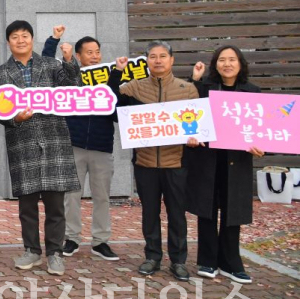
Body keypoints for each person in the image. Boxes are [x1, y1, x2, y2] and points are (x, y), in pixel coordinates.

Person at [0, 20, 80, 276]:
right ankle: (32, 250)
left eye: (25, 36)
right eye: (15, 37)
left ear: (32, 39)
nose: (20, 40)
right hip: (22, 142)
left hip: (54, 141)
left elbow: (73, 90)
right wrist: (13, 119)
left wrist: (69, 59)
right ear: (8, 42)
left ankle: (55, 253)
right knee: (27, 206)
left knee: (55, 205)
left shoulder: (52, 66)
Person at [112, 40, 200, 282]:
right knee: (149, 213)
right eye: (153, 56)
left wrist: (195, 137)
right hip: (145, 163)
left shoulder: (188, 89)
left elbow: (198, 125)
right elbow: (112, 108)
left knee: (177, 214)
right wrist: (117, 73)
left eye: (163, 56)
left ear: (172, 60)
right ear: (146, 61)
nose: (158, 60)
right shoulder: (133, 89)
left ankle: (179, 261)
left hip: (177, 163)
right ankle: (152, 257)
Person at [42, 26, 121, 262]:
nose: (95, 56)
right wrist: (54, 39)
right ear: (78, 55)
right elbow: (46, 63)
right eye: (89, 52)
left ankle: (101, 241)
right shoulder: (67, 75)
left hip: (101, 146)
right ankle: (72, 238)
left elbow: (118, 108)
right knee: (72, 196)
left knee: (102, 196)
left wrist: (116, 77)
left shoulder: (109, 77)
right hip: (73, 144)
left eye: (97, 52)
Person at [188, 46, 262, 284]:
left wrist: (262, 146)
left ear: (240, 64)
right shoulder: (204, 88)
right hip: (208, 159)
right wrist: (195, 80)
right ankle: (207, 260)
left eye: (232, 59)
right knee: (207, 211)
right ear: (215, 63)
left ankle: (231, 263)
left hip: (237, 161)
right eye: (222, 60)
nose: (226, 64)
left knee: (233, 213)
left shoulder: (252, 92)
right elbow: (187, 113)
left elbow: (263, 129)